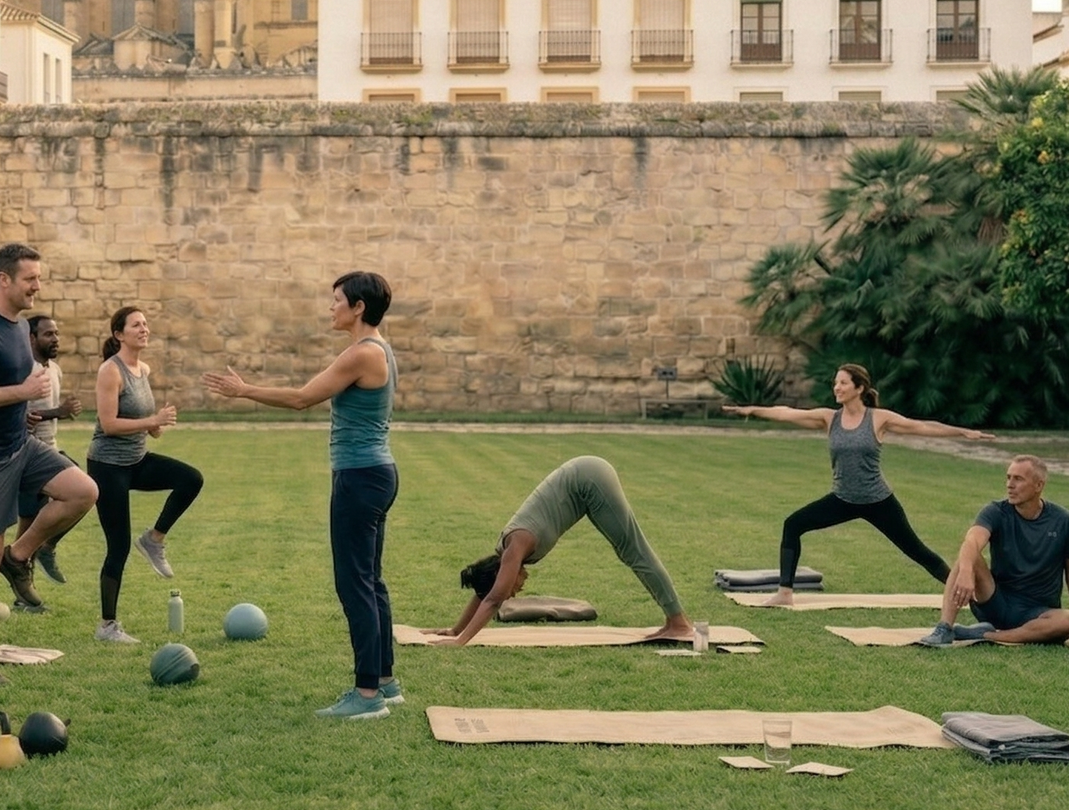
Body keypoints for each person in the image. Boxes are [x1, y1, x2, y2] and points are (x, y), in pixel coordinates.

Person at [202, 271, 401, 720]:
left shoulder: (362, 354)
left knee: (356, 586)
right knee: (371, 580)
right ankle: (385, 682)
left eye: (336, 301)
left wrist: (244, 389)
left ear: (358, 308)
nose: (330, 308)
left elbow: (300, 398)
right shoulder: (378, 349)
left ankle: (367, 695)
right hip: (375, 473)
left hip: (359, 477)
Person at [0, 243, 99, 685]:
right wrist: (21, 394)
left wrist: (23, 404)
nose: (38, 286)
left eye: (38, 278)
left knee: (82, 491)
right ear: (4, 279)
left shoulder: (17, 328)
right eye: (30, 278)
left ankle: (22, 554)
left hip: (19, 446)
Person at [723, 364, 994, 606]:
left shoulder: (878, 419)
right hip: (842, 499)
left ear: (859, 388)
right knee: (793, 524)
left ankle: (966, 591)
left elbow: (921, 426)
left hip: (878, 501)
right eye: (835, 383)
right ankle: (784, 593)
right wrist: (753, 410)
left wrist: (962, 432)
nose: (836, 388)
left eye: (842, 383)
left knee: (917, 551)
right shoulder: (829, 418)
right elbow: (787, 413)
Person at [429, 455, 694, 646]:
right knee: (630, 551)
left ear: (501, 572)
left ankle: (679, 623)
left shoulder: (515, 546)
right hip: (585, 477)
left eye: (512, 589)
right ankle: (676, 620)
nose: (516, 591)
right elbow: (485, 593)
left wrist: (460, 641)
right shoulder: (508, 552)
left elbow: (493, 598)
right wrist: (455, 631)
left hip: (589, 480)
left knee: (633, 550)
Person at [87, 306, 202, 644]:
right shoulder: (111, 370)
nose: (144, 329)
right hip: (107, 467)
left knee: (190, 478)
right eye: (136, 325)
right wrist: (151, 421)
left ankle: (154, 539)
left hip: (136, 461)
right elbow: (108, 425)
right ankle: (107, 626)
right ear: (119, 334)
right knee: (117, 546)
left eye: (146, 324)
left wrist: (154, 428)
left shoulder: (143, 368)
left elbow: (138, 418)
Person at [921, 455, 1069, 647]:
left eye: (1018, 479)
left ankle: (986, 635)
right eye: (1008, 477)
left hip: (1036, 613)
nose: (1010, 484)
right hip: (995, 602)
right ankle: (944, 628)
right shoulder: (996, 511)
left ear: (1038, 485)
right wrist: (967, 572)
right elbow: (973, 540)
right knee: (969, 551)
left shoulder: (1065, 521)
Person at [17, 314, 83, 587]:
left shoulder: (54, 369)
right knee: (28, 525)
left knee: (87, 491)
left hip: (51, 450)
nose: (55, 339)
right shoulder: (24, 370)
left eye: (56, 333)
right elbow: (23, 413)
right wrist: (60, 411)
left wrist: (61, 411)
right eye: (48, 334)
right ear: (31, 338)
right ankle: (24, 586)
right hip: (28, 455)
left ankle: (45, 547)